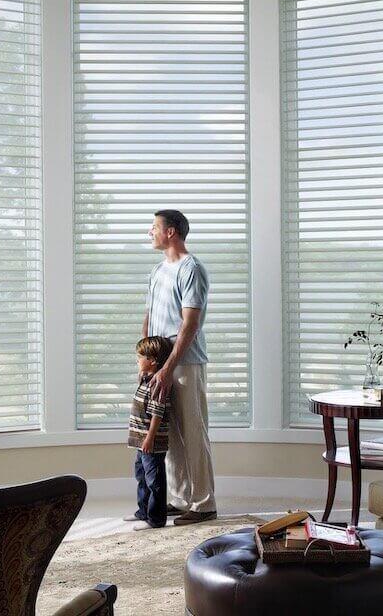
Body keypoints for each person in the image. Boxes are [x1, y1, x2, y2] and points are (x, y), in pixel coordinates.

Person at [143, 209, 218, 524]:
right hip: (159, 362)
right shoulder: (158, 271)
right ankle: (179, 497)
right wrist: (145, 359)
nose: (150, 232)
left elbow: (190, 324)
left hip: (185, 362)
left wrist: (169, 366)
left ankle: (203, 504)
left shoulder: (192, 269)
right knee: (169, 433)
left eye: (154, 227)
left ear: (171, 231)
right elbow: (149, 315)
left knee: (192, 432)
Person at [128, 336, 174, 530]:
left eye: (140, 357)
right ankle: (143, 511)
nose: (137, 360)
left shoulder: (157, 385)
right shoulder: (146, 380)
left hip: (150, 442)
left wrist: (150, 438)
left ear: (153, 360)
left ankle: (156, 519)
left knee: (154, 481)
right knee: (142, 476)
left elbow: (157, 413)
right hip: (141, 441)